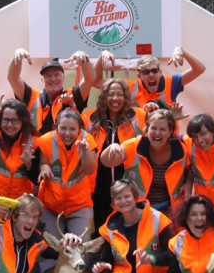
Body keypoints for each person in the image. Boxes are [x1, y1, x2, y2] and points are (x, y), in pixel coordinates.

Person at [100, 108, 189, 216]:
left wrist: (188, 184)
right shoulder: (134, 145)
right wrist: (112, 147)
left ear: (170, 132)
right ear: (147, 129)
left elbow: (190, 170)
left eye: (162, 129)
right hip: (136, 211)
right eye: (153, 128)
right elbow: (106, 162)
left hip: (170, 212)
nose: (157, 133)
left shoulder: (183, 148)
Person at [83, 78, 147, 224]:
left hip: (129, 186)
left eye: (120, 94)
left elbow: (161, 125)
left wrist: (155, 107)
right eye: (111, 94)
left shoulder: (140, 116)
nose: (115, 98)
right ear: (103, 97)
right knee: (100, 231)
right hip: (97, 189)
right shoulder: (88, 119)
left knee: (126, 229)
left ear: (126, 97)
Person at [35, 108, 98, 238]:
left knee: (82, 248)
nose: (67, 133)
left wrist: (85, 151)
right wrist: (44, 167)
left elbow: (89, 170)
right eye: (63, 128)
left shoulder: (88, 140)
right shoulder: (46, 140)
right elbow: (43, 162)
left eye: (72, 129)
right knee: (49, 251)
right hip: (50, 205)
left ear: (79, 129)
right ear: (56, 126)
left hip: (80, 205)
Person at [8, 49, 96, 134]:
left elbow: (89, 79)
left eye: (56, 75)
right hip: (36, 148)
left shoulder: (72, 95)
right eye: (48, 76)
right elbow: (13, 79)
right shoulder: (32, 96)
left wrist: (84, 59)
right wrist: (17, 56)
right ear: (42, 80)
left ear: (63, 78)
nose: (53, 79)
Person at [94, 47, 206, 109]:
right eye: (146, 72)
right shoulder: (130, 86)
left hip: (167, 143)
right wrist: (101, 56)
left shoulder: (171, 83)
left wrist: (181, 50)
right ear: (139, 76)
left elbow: (200, 69)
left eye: (154, 71)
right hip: (137, 142)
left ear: (160, 72)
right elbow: (96, 81)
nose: (151, 75)